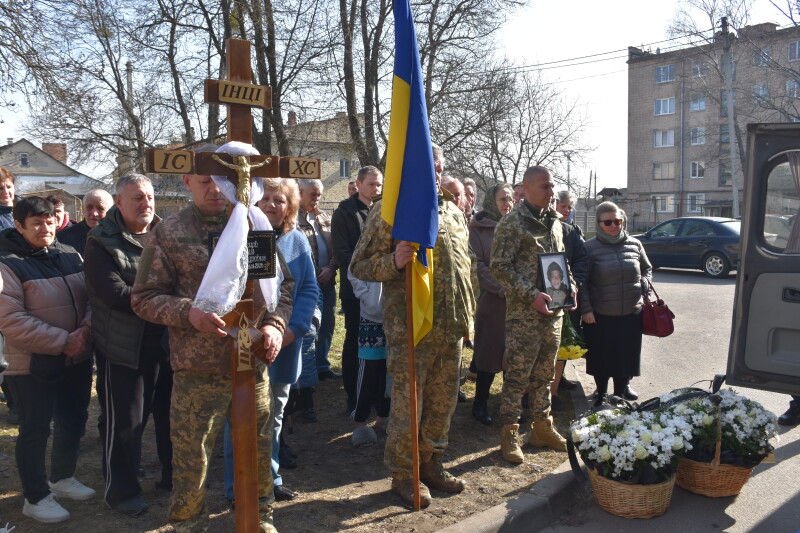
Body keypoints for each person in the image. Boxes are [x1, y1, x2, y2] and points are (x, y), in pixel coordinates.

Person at [130, 157, 293, 533]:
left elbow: (279, 287)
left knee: (257, 448)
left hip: (251, 363)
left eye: (223, 182)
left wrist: (273, 325)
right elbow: (143, 298)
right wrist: (188, 313)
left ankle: (259, 517)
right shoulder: (168, 233)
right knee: (191, 458)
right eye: (205, 181)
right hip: (197, 369)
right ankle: (188, 524)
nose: (215, 190)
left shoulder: (254, 227)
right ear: (188, 182)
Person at [350, 143, 475, 508]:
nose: (434, 173)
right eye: (427, 166)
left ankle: (432, 462)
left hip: (450, 328)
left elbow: (465, 268)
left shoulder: (451, 210)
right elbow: (359, 264)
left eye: (439, 167)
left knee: (442, 402)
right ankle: (405, 474)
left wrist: (468, 316)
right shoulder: (390, 212)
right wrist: (393, 261)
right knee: (410, 404)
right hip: (412, 329)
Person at [0, 196, 95, 524]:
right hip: (31, 364)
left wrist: (84, 330)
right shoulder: (6, 262)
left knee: (73, 419)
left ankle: (62, 477)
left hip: (76, 357)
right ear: (19, 226)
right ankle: (36, 496)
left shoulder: (70, 253)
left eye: (50, 220)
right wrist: (63, 342)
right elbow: (11, 319)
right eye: (36, 223)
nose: (45, 228)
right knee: (35, 428)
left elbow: (91, 299)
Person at [83, 174, 172, 516]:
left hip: (168, 340)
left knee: (170, 414)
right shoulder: (100, 241)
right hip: (124, 346)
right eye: (137, 198)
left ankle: (173, 476)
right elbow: (114, 294)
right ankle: (120, 491)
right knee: (126, 423)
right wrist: (167, 301)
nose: (146, 203)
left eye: (149, 197)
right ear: (118, 202)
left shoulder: (166, 233)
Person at [491, 165, 575, 464]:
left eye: (553, 186)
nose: (551, 192)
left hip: (554, 313)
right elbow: (499, 266)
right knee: (517, 377)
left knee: (545, 374)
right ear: (525, 189)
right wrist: (530, 295)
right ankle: (510, 433)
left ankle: (542, 427)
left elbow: (560, 262)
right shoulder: (512, 224)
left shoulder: (554, 222)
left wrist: (570, 288)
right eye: (545, 186)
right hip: (525, 316)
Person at [255, 178, 318, 502]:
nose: (270, 205)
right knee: (241, 417)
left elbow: (308, 290)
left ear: (290, 206)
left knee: (276, 414)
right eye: (264, 198)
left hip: (286, 343)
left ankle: (271, 478)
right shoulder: (238, 237)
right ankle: (237, 487)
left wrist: (291, 331)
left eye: (278, 200)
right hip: (247, 344)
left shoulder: (297, 241)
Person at [580, 201, 652, 407]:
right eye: (608, 222)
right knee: (601, 357)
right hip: (601, 314)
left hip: (631, 312)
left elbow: (647, 268)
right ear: (599, 223)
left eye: (618, 221)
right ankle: (601, 393)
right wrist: (586, 309)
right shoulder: (589, 247)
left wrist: (645, 283)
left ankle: (619, 395)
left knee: (625, 356)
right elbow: (582, 282)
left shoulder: (635, 244)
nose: (614, 225)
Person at [331, 166, 383, 412]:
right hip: (355, 289)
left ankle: (376, 393)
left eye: (379, 184)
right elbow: (342, 252)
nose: (376, 189)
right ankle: (353, 393)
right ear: (359, 184)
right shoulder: (344, 213)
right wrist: (361, 279)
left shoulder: (383, 210)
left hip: (381, 287)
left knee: (379, 344)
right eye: (372, 184)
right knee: (354, 341)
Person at [468, 183, 514, 426]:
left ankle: (508, 405)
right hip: (493, 301)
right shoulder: (478, 228)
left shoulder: (517, 226)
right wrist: (501, 287)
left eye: (510, 199)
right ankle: (480, 403)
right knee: (488, 353)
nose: (507, 203)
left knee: (512, 354)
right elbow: (478, 265)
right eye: (502, 199)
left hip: (517, 303)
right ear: (491, 202)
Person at [296, 179, 340, 380]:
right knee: (308, 325)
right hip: (306, 284)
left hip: (327, 280)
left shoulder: (325, 218)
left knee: (328, 324)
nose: (316, 198)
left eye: (319, 195)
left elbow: (337, 248)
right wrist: (314, 273)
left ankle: (322, 365)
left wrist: (331, 268)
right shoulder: (293, 219)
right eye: (312, 194)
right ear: (300, 192)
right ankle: (307, 369)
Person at [347, 264, 389, 447]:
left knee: (388, 373)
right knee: (367, 373)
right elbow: (354, 270)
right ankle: (360, 420)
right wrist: (367, 296)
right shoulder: (363, 248)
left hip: (394, 320)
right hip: (370, 320)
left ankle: (383, 416)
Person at [551, 190, 587, 398]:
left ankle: (559, 378)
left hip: (569, 294)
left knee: (565, 340)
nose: (566, 210)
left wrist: (575, 282)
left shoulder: (573, 231)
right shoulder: (546, 227)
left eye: (569, 207)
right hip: (549, 293)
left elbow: (582, 259)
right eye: (562, 205)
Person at [0, 167, 18, 426]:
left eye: (8, 186)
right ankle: (14, 403)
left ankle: (17, 402)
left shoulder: (19, 213)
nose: (5, 191)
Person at [58, 189, 114, 255]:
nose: (94, 213)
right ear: (83, 209)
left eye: (100, 208)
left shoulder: (120, 238)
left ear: (110, 211)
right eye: (89, 207)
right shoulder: (63, 238)